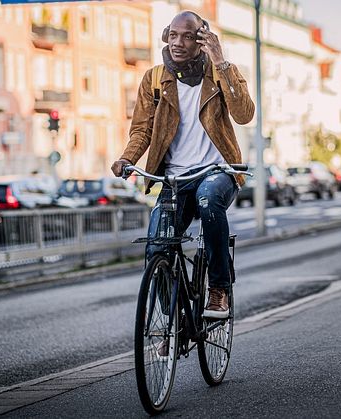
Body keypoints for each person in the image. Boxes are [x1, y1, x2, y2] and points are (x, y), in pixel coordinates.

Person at [111, 11, 254, 318]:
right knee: (156, 248)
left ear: (202, 41)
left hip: (217, 171)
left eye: (187, 36)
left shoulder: (218, 73)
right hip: (175, 178)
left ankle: (219, 290)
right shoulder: (154, 78)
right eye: (173, 35)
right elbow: (142, 129)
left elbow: (244, 114)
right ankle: (175, 323)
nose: (177, 43)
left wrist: (221, 63)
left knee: (208, 199)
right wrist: (127, 157)